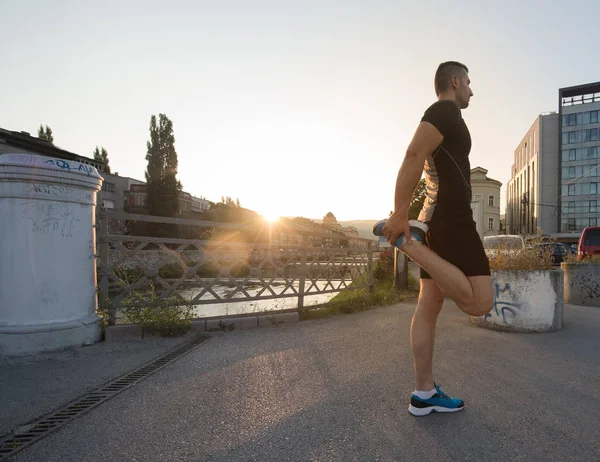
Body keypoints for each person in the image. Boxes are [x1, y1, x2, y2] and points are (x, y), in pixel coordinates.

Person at [374, 61, 493, 416]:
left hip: (437, 216)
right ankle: (408, 243)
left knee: (429, 304)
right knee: (479, 303)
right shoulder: (445, 109)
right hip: (451, 219)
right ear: (454, 81)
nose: (472, 90)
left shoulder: (450, 116)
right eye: (469, 83)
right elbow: (412, 154)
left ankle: (424, 393)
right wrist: (398, 214)